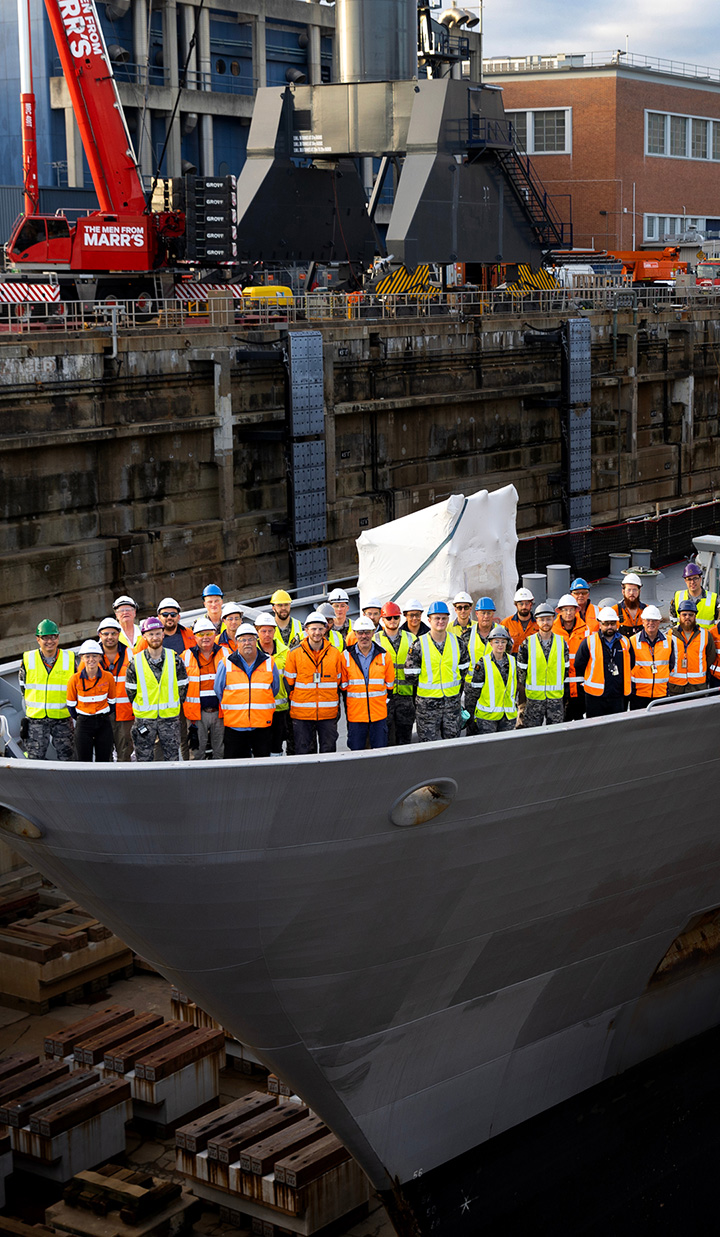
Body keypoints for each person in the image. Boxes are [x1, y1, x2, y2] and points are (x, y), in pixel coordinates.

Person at [135, 598, 195, 759]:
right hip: (150, 709)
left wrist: (176, 699)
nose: (169, 617)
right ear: (159, 617)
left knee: (181, 740)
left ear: (178, 616)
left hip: (175, 704)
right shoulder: (144, 642)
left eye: (173, 614)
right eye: (165, 614)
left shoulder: (188, 634)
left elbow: (184, 679)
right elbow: (134, 680)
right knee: (153, 746)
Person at [404, 601, 469, 741]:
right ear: (429, 620)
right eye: (436, 618)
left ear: (448, 619)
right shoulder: (418, 645)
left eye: (444, 618)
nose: (440, 621)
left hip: (452, 705)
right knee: (429, 746)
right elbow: (410, 676)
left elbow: (464, 670)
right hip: (427, 707)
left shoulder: (458, 643)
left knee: (453, 743)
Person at [126, 617, 189, 761]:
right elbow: (130, 691)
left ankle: (170, 784)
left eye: (158, 633)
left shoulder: (175, 659)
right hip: (145, 720)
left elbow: (183, 687)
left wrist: (172, 704)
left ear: (163, 634)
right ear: (144, 636)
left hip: (169, 719)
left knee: (172, 759)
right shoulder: (136, 662)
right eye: (151, 634)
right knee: (144, 759)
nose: (155, 637)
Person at [214, 623, 279, 758]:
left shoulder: (269, 661)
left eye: (251, 639)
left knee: (262, 765)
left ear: (256, 640)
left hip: (261, 726)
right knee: (235, 768)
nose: (247, 643)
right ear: (237, 642)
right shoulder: (226, 662)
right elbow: (219, 690)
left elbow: (274, 689)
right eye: (243, 639)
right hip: (235, 726)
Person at [283, 611, 344, 754]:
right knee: (304, 752)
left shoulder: (335, 654)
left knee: (328, 751)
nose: (317, 632)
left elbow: (338, 681)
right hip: (302, 715)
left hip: (328, 714)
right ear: (306, 630)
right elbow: (288, 683)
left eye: (320, 629)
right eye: (313, 629)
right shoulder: (294, 654)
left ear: (325, 629)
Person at [20, 620, 76, 761]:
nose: (50, 641)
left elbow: (76, 687)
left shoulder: (69, 659)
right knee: (35, 758)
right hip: (36, 720)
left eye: (53, 637)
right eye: (45, 637)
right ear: (38, 639)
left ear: (58, 637)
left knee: (67, 758)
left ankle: (68, 783)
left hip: (62, 718)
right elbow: (23, 686)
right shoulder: (28, 659)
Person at [341, 616, 394, 750]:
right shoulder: (345, 656)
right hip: (356, 716)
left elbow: (390, 686)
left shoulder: (384, 655)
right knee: (356, 753)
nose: (364, 636)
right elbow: (343, 686)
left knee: (380, 753)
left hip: (379, 716)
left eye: (367, 632)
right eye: (360, 632)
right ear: (355, 633)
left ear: (373, 632)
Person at [574, 607, 634, 718]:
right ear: (600, 624)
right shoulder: (589, 642)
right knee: (595, 729)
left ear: (617, 624)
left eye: (612, 623)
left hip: (617, 694)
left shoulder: (625, 642)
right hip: (595, 696)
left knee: (616, 727)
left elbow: (631, 663)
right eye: (606, 624)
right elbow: (579, 665)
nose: (610, 627)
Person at [517, 602, 569, 728]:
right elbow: (521, 672)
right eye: (542, 620)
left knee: (556, 733)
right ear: (537, 621)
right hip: (534, 699)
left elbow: (565, 669)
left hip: (555, 699)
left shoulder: (561, 642)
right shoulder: (527, 643)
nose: (545, 623)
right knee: (532, 733)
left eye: (548, 619)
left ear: (553, 619)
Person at [183, 616, 225, 760]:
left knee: (220, 751)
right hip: (196, 715)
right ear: (195, 637)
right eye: (201, 634)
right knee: (197, 753)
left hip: (221, 713)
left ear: (215, 634)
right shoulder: (185, 656)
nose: (205, 637)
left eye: (209, 633)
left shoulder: (226, 654)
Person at [66, 640, 115, 762]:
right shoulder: (74, 679)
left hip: (103, 721)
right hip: (84, 722)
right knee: (83, 759)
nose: (91, 659)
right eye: (87, 656)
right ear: (82, 658)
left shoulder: (108, 677)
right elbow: (71, 705)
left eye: (94, 656)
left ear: (100, 657)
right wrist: (83, 717)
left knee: (103, 759)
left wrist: (102, 714)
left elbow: (112, 701)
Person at [465, 625, 518, 734]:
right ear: (491, 643)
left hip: (507, 716)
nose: (500, 645)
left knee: (505, 747)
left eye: (503, 642)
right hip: (487, 717)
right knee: (489, 749)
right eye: (497, 642)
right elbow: (475, 691)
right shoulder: (483, 663)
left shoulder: (512, 661)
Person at [376, 602, 415, 745]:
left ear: (400, 618)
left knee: (405, 737)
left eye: (395, 618)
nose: (392, 621)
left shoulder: (411, 639)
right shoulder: (376, 640)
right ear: (383, 619)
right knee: (385, 737)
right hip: (384, 697)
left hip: (406, 697)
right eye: (389, 618)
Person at [97, 616, 133, 762]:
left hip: (125, 714)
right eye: (105, 634)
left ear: (119, 634)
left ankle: (125, 782)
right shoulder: (92, 656)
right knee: (104, 751)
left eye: (113, 633)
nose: (109, 637)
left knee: (125, 752)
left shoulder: (131, 654)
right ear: (100, 635)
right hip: (101, 714)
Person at [256, 612, 292, 755]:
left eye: (270, 630)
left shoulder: (285, 652)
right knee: (261, 744)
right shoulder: (252, 653)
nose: (267, 634)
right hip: (260, 708)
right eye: (263, 631)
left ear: (275, 631)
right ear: (257, 631)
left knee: (277, 745)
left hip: (280, 708)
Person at [668, 598, 716, 696]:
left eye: (691, 615)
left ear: (695, 616)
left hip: (698, 686)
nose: (687, 617)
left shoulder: (705, 634)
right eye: (684, 615)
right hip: (676, 686)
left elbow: (711, 656)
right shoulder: (670, 634)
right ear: (679, 616)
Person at [630, 605, 674, 709]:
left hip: (661, 694)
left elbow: (671, 664)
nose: (651, 623)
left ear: (659, 622)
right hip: (638, 694)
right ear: (643, 621)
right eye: (648, 620)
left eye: (654, 620)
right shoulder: (632, 641)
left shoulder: (668, 641)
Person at [552, 593, 588, 722]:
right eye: (565, 610)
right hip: (560, 682)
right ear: (560, 612)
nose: (568, 613)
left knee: (580, 718)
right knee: (561, 719)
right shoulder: (552, 631)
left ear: (576, 610)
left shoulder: (585, 630)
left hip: (580, 682)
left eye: (571, 609)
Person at [670, 562, 719, 629]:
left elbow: (718, 625)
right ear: (685, 580)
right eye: (689, 579)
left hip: (705, 638)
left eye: (695, 578)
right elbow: (673, 620)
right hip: (684, 638)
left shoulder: (713, 599)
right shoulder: (678, 597)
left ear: (700, 579)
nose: (692, 582)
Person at [503, 587, 538, 654]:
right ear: (516, 605)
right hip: (513, 660)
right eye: (521, 604)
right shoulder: (506, 624)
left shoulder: (539, 623)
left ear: (531, 604)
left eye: (527, 603)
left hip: (534, 658)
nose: (524, 607)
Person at [613, 573, 645, 638]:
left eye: (634, 590)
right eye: (629, 590)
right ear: (623, 591)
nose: (631, 593)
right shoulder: (614, 610)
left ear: (639, 591)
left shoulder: (646, 610)